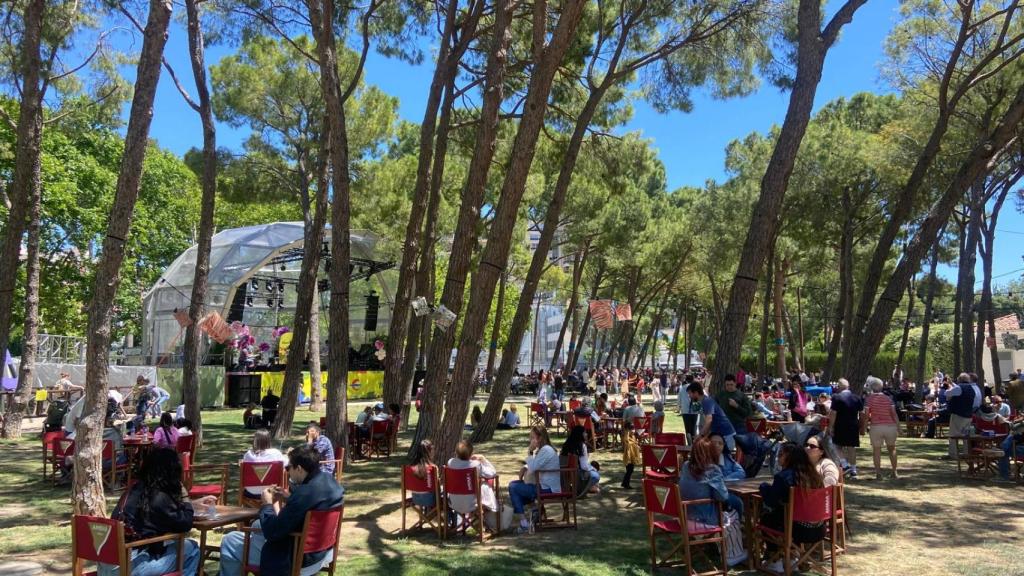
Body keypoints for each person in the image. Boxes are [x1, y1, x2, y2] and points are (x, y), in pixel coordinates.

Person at [219, 445, 345, 576]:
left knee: (230, 540)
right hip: (322, 552)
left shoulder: (303, 494)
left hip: (294, 558)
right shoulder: (331, 483)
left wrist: (267, 504)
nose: (287, 471)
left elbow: (272, 532)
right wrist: (288, 497)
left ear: (299, 469)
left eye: (288, 467)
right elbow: (311, 504)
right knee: (256, 525)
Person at [104, 448, 214, 576]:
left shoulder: (132, 491)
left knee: (175, 546)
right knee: (192, 548)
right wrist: (184, 496)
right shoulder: (158, 497)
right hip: (131, 567)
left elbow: (161, 512)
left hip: (108, 565)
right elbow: (185, 524)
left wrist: (192, 504)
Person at [678, 437, 747, 568]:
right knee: (733, 514)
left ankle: (717, 547)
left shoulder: (686, 466)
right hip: (703, 522)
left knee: (730, 508)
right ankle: (733, 554)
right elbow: (723, 497)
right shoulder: (712, 469)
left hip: (684, 519)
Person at [758, 442, 825, 573]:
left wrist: (764, 487)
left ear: (790, 457)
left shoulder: (783, 477)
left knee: (767, 518)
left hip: (796, 531)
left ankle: (775, 561)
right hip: (819, 529)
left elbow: (771, 501)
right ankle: (792, 557)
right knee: (788, 516)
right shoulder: (814, 476)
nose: (778, 457)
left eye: (780, 454)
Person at [507, 426, 561, 534]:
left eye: (532, 437)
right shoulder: (543, 450)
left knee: (513, 488)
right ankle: (534, 510)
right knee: (514, 485)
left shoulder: (546, 450)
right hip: (543, 485)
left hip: (548, 488)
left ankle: (526, 521)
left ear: (539, 438)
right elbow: (535, 465)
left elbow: (533, 467)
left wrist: (530, 452)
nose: (530, 440)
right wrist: (525, 467)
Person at [446, 440, 499, 527]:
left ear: (456, 452)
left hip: (453, 503)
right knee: (485, 485)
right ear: (471, 453)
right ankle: (489, 514)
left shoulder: (450, 463)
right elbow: (492, 473)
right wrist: (483, 459)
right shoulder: (475, 465)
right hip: (473, 504)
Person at [863, 376, 899, 480]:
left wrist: (864, 427)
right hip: (890, 426)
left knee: (876, 450)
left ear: (871, 387)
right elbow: (894, 414)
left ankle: (878, 473)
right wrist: (898, 427)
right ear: (882, 387)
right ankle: (894, 471)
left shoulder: (868, 399)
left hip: (876, 426)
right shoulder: (889, 399)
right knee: (892, 449)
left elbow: (866, 416)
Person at [827, 378, 863, 478]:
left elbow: (833, 413)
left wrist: (830, 427)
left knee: (836, 445)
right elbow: (862, 413)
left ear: (839, 387)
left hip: (840, 425)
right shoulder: (857, 398)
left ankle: (845, 465)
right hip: (853, 425)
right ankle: (853, 470)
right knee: (851, 448)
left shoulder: (836, 397)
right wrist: (862, 426)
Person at [687, 382, 737, 452]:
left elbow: (709, 421)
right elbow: (710, 425)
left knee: (715, 456)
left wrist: (700, 436)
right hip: (721, 436)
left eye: (690, 393)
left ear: (696, 393)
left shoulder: (707, 401)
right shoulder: (705, 401)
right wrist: (704, 437)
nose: (689, 396)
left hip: (726, 436)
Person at [242, 430, 289, 497]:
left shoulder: (248, 454)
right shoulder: (275, 453)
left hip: (251, 492)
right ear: (268, 441)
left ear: (254, 441)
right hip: (272, 492)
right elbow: (287, 463)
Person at [945, 373, 981, 460]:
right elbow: (959, 390)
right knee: (965, 436)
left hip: (958, 415)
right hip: (968, 416)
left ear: (960, 379)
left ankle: (953, 454)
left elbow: (947, 393)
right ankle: (966, 453)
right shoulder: (971, 388)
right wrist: (952, 384)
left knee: (953, 435)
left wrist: (949, 387)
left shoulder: (959, 387)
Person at [561, 426, 600, 494]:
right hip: (577, 474)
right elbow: (584, 466)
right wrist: (593, 469)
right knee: (596, 475)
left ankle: (589, 487)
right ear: (580, 434)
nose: (586, 434)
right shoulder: (581, 446)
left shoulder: (566, 445)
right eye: (584, 432)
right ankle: (585, 488)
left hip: (564, 473)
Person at [407, 440, 438, 510]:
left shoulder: (410, 468)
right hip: (430, 499)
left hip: (415, 499)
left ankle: (426, 513)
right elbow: (436, 486)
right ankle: (430, 513)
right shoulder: (433, 468)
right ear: (430, 452)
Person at [620, 420, 642, 489]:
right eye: (631, 429)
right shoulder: (625, 436)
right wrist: (627, 432)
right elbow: (627, 442)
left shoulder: (633, 436)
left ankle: (624, 483)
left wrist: (637, 446)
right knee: (629, 470)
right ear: (627, 430)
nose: (633, 431)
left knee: (630, 470)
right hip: (629, 456)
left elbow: (634, 443)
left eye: (633, 429)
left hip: (633, 455)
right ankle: (626, 484)